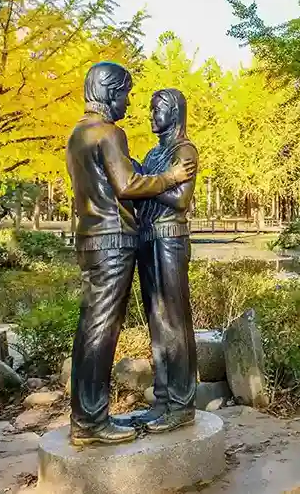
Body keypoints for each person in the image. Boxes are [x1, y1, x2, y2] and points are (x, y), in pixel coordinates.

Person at [65, 62, 196, 446]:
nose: (129, 103)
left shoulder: (78, 133)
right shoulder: (108, 133)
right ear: (108, 91)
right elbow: (126, 184)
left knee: (96, 327)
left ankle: (90, 417)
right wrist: (169, 179)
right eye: (124, 93)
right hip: (112, 238)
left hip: (96, 236)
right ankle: (90, 421)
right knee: (100, 330)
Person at [132, 88, 199, 433]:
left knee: (174, 320)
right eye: (150, 108)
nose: (151, 115)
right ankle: (162, 399)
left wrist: (145, 183)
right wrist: (140, 177)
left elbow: (180, 199)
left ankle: (182, 403)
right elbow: (146, 191)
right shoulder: (153, 154)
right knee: (156, 322)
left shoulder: (183, 151)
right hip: (147, 238)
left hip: (170, 239)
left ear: (174, 112)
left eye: (157, 109)